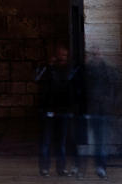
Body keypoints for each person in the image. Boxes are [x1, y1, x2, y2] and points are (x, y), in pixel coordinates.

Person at [37, 44, 81, 177]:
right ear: (55, 55)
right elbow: (37, 79)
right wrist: (48, 66)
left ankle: (61, 169)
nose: (62, 58)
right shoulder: (48, 69)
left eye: (65, 55)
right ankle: (44, 169)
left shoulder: (70, 70)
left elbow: (72, 89)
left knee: (61, 142)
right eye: (60, 55)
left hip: (64, 110)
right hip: (49, 110)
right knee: (46, 141)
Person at [83, 50, 117, 179]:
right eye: (94, 54)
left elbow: (113, 89)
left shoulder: (107, 71)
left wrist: (110, 102)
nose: (97, 56)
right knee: (98, 140)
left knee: (101, 141)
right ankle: (98, 165)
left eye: (98, 54)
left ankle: (101, 166)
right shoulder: (88, 71)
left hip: (103, 110)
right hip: (93, 109)